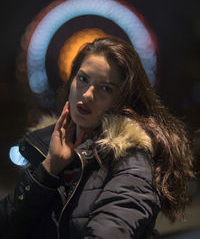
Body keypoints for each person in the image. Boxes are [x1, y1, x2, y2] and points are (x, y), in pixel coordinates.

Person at [0, 36, 194, 239]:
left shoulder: (131, 162)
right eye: (83, 79)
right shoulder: (49, 149)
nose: (88, 95)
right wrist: (49, 169)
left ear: (122, 101)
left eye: (105, 88)